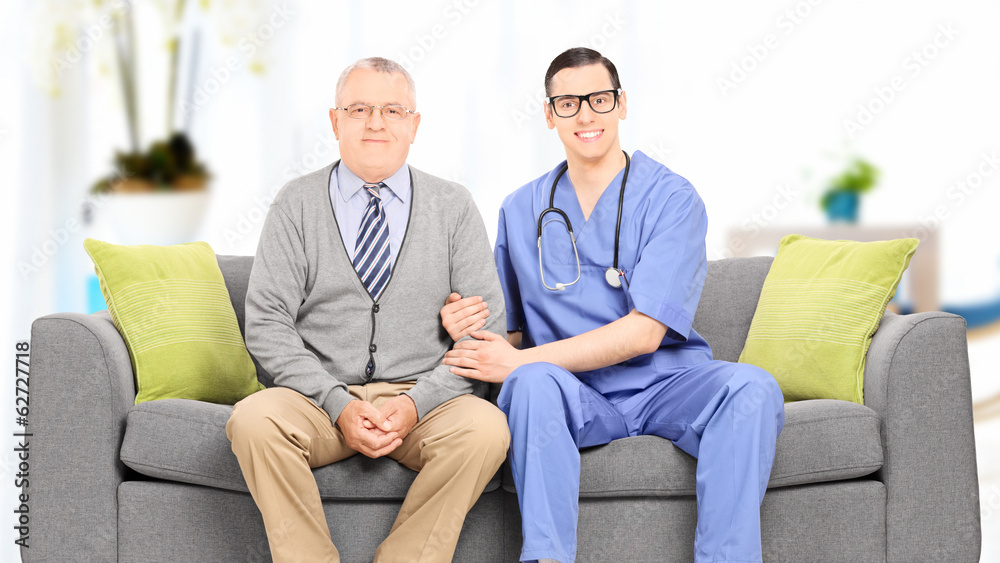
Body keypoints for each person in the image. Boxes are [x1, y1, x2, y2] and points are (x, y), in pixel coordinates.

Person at [440, 47, 785, 563]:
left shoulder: (672, 198)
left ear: (622, 104)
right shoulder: (521, 209)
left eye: (599, 99)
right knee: (529, 383)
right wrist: (461, 323)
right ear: (549, 113)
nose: (585, 115)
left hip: (666, 384)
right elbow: (509, 330)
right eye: (569, 103)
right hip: (572, 394)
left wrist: (521, 359)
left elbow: (646, 332)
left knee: (752, 386)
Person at [227, 56, 510, 563]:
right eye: (358, 109)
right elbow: (268, 324)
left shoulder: (454, 207)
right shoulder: (295, 204)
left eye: (392, 110)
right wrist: (337, 403)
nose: (375, 123)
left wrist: (416, 403)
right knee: (253, 420)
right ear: (335, 122)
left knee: (487, 429)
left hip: (423, 400)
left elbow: (484, 332)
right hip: (315, 399)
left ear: (414, 125)